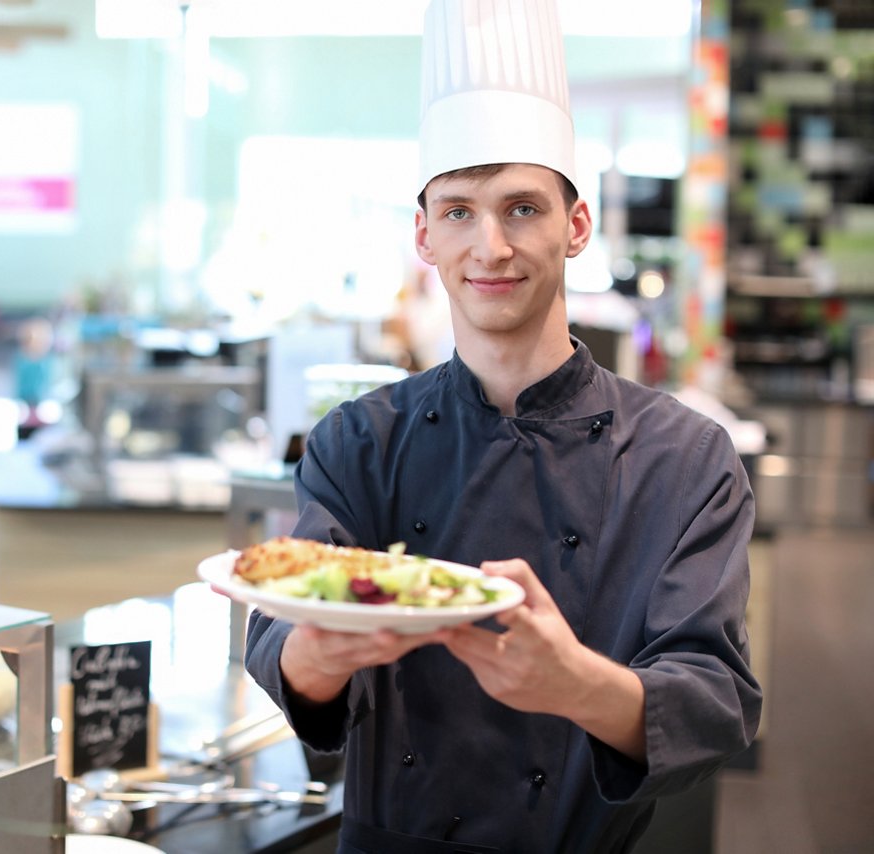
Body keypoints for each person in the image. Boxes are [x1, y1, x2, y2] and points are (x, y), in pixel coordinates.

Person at [241, 1, 761, 851]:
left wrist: (576, 684)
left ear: (576, 225)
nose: (491, 246)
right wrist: (320, 655)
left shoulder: (686, 459)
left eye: (522, 208)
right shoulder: (358, 443)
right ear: (424, 237)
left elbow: (716, 701)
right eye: (458, 212)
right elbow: (277, 632)